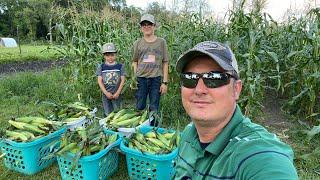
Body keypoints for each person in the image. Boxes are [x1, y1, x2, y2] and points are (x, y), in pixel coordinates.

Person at [174, 41, 298, 179]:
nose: (199, 90)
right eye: (190, 78)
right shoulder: (188, 134)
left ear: (236, 89)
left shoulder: (257, 155)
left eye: (214, 78)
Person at [132, 13, 169, 115]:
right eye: (144, 24)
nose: (147, 26)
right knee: (140, 106)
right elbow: (135, 61)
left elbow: (165, 62)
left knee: (154, 107)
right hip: (141, 79)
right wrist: (135, 77)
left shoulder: (161, 42)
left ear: (154, 26)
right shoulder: (137, 43)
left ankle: (153, 127)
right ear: (141, 28)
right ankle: (139, 128)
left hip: (155, 79)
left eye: (149, 24)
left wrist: (165, 82)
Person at [96, 42, 126, 117]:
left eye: (112, 55)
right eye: (107, 55)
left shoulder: (120, 66)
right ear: (104, 56)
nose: (110, 57)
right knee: (108, 111)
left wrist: (118, 92)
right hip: (106, 93)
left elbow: (123, 80)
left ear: (116, 54)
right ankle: (108, 122)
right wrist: (106, 93)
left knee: (118, 111)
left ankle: (117, 125)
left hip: (117, 93)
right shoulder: (101, 67)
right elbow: (99, 81)